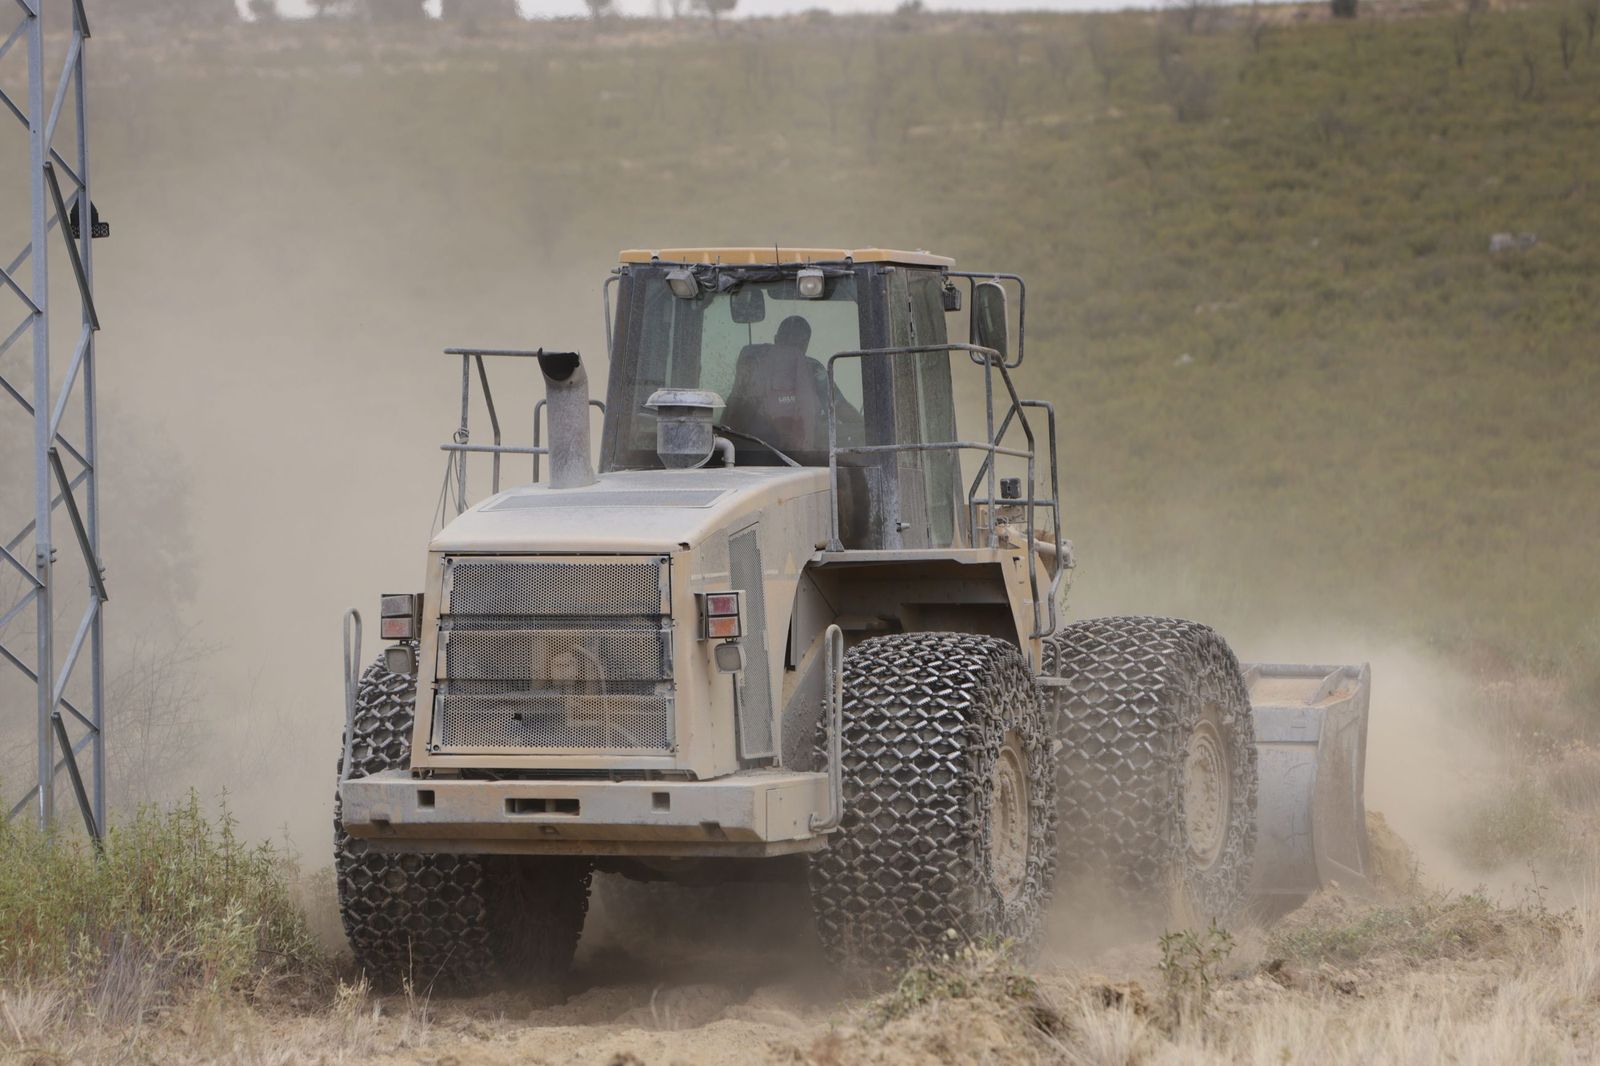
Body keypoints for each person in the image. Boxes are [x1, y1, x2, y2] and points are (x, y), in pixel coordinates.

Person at [723, 314, 861, 461]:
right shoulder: (813, 370)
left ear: (776, 339)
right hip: (804, 459)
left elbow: (733, 409)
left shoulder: (753, 365)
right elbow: (840, 408)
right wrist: (864, 426)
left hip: (747, 456)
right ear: (805, 345)